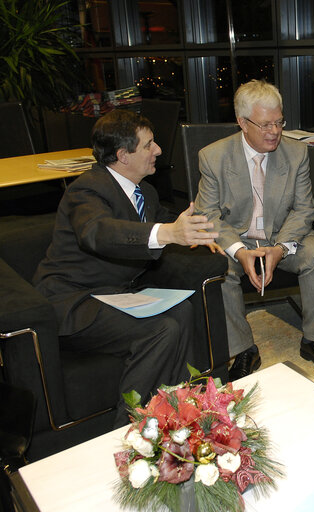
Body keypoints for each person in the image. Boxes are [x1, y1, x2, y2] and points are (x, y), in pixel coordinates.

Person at [33, 109, 220, 426]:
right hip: (73, 301)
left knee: (184, 312)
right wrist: (169, 233)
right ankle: (130, 430)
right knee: (161, 330)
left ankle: (177, 415)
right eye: (148, 145)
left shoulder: (144, 191)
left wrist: (192, 233)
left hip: (114, 295)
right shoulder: (87, 190)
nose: (158, 150)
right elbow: (98, 232)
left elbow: (165, 220)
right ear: (122, 155)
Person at [194, 80, 314, 380]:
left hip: (283, 236)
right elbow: (207, 214)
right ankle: (244, 349)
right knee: (218, 266)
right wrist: (237, 250)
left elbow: (304, 209)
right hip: (237, 238)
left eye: (278, 122)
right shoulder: (213, 157)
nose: (274, 132)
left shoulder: (296, 153)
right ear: (241, 122)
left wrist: (279, 248)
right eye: (265, 125)